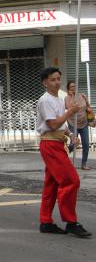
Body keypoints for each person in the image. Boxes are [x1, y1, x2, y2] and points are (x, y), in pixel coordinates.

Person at [37, 67, 90, 238]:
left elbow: (62, 124)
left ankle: (46, 221)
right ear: (45, 82)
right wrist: (70, 112)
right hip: (50, 144)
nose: (57, 82)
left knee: (52, 184)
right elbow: (52, 124)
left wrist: (71, 134)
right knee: (71, 181)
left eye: (58, 78)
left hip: (58, 143)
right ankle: (71, 222)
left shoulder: (58, 99)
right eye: (53, 79)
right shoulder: (45, 100)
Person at [65, 81, 91, 170]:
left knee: (86, 144)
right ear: (68, 88)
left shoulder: (82, 95)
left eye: (75, 86)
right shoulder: (67, 98)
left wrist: (87, 102)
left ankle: (84, 164)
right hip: (73, 124)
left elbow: (88, 107)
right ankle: (64, 156)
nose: (73, 88)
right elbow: (69, 108)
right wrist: (72, 96)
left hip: (84, 123)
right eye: (71, 87)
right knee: (74, 143)